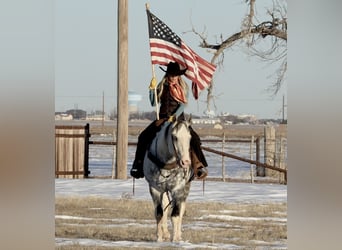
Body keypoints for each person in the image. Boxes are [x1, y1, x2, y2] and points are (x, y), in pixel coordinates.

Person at [130, 62, 208, 180]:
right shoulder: (162, 86)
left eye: (175, 75)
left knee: (194, 138)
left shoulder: (182, 88)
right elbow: (153, 103)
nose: (173, 77)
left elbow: (183, 105)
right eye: (171, 75)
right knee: (143, 137)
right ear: (167, 75)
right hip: (162, 118)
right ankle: (138, 164)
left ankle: (198, 165)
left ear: (179, 76)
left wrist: (174, 116)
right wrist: (152, 90)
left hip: (178, 119)